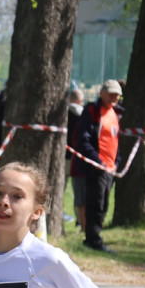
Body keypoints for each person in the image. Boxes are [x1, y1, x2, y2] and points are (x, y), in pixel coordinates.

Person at [76, 79, 122, 252]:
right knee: (95, 204)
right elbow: (84, 140)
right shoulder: (92, 112)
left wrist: (117, 162)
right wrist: (97, 161)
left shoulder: (115, 113)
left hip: (110, 168)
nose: (114, 97)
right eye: (110, 93)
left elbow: (115, 140)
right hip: (97, 168)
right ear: (102, 93)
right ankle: (92, 239)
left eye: (117, 94)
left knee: (103, 205)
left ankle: (95, 235)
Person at [66, 88, 86, 230]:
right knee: (78, 190)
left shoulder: (63, 114)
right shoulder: (85, 115)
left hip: (63, 155)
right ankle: (80, 219)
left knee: (59, 187)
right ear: (81, 100)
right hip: (78, 157)